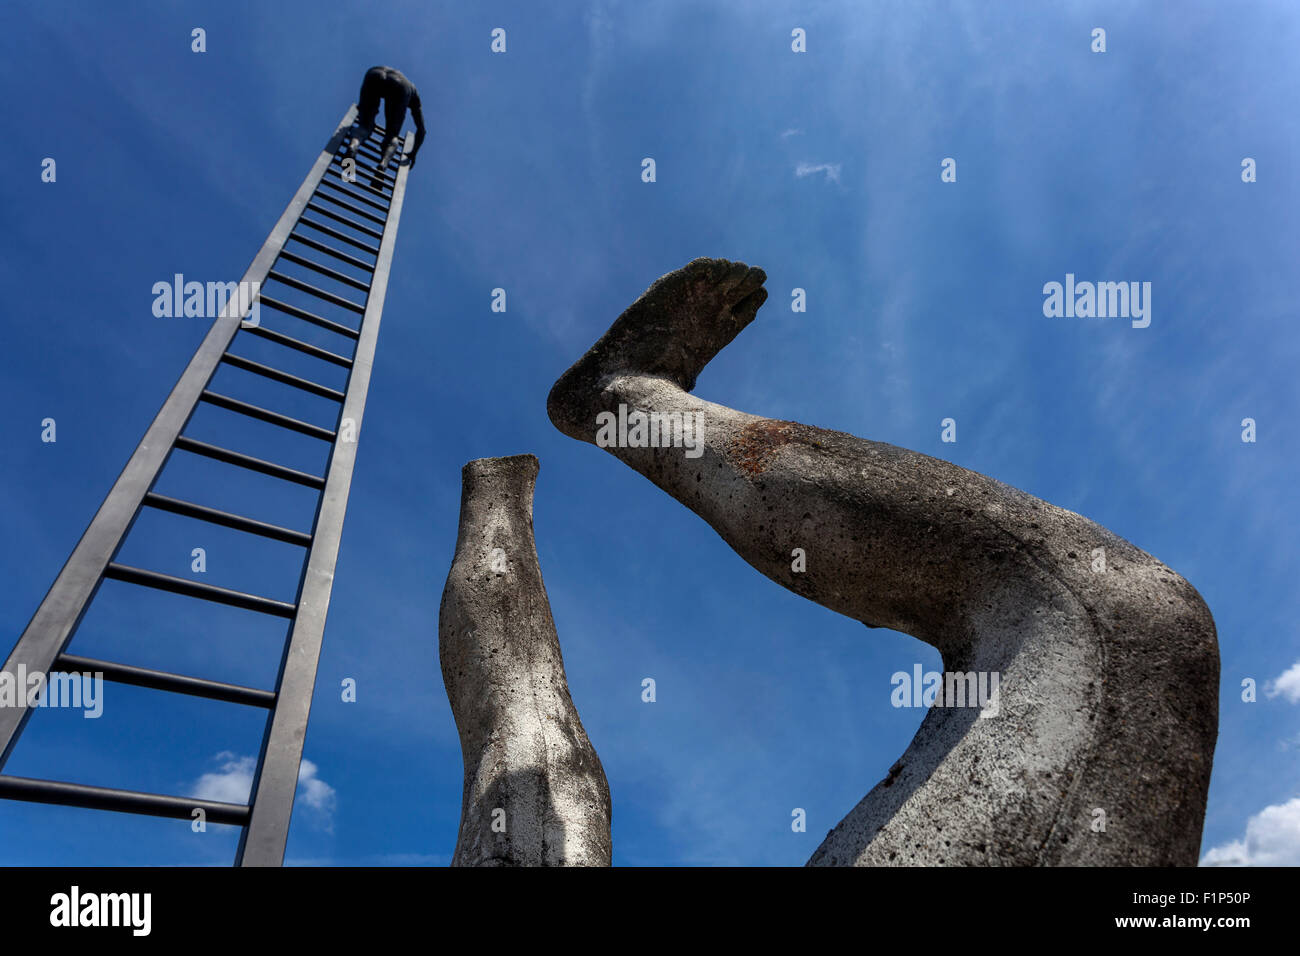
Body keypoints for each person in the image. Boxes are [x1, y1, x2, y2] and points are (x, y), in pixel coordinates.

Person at [347, 65, 426, 184]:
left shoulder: (410, 90)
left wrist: (364, 112)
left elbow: (362, 106)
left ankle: (353, 146)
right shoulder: (413, 92)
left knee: (364, 126)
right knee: (391, 136)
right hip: (401, 87)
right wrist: (413, 153)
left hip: (373, 73)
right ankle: (383, 165)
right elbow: (422, 130)